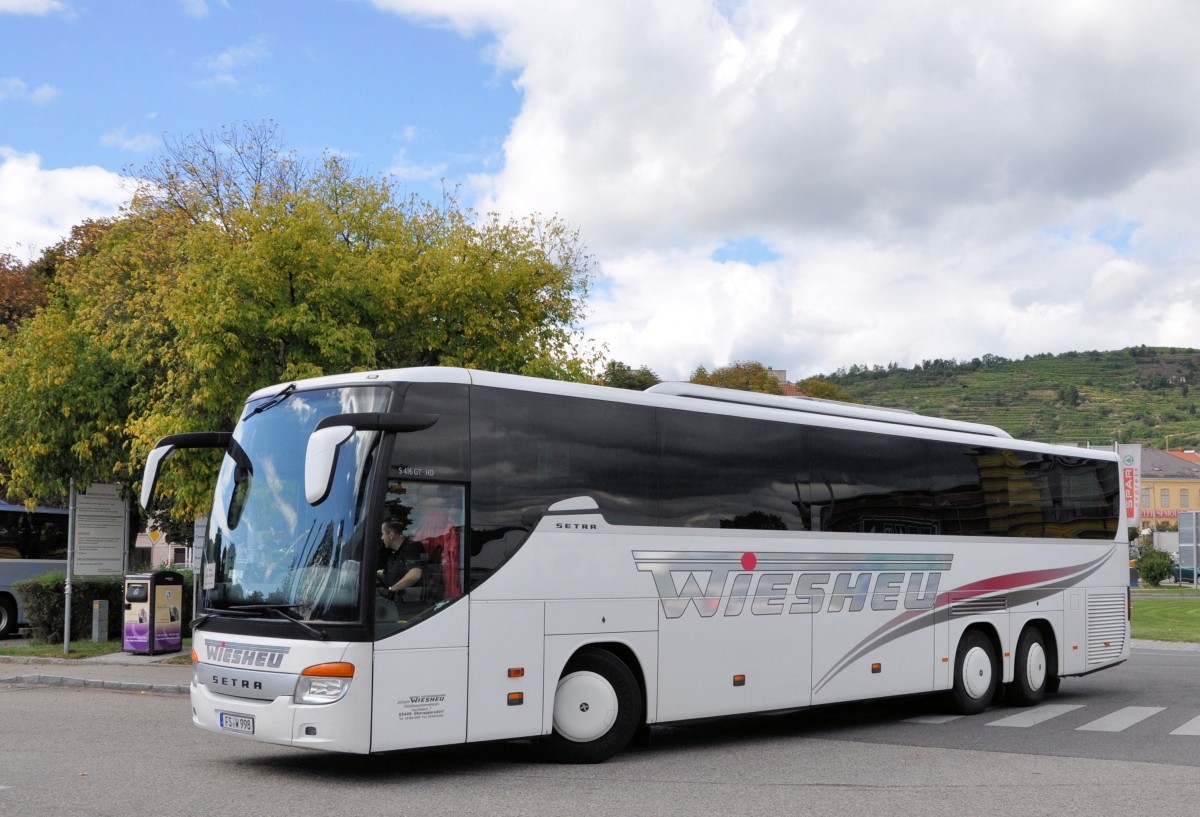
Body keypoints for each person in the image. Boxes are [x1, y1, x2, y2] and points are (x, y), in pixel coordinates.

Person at [377, 518, 426, 604]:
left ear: (391, 535)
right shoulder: (393, 553)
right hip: (397, 601)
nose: (381, 538)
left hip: (411, 604)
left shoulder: (411, 547)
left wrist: (392, 590)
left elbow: (415, 574)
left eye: (382, 534)